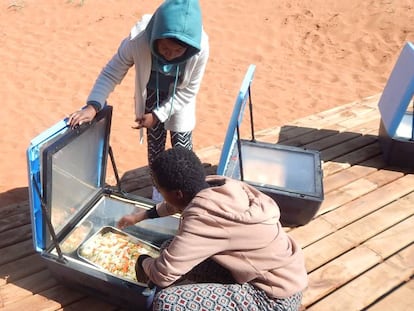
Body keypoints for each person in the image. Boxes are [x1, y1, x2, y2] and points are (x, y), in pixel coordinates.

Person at [117, 147, 308, 311]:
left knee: (168, 303)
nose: (159, 193)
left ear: (177, 193)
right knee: (168, 247)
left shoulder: (203, 217)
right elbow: (176, 203)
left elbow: (162, 275)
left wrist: (143, 262)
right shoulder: (219, 186)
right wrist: (139, 216)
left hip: (273, 298)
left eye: (160, 189)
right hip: (284, 273)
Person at [67, 0, 209, 202]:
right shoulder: (138, 41)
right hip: (151, 94)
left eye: (178, 52)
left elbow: (188, 91)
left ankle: (186, 197)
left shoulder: (200, 48)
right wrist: (94, 104)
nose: (170, 56)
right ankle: (160, 193)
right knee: (155, 148)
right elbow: (111, 72)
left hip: (180, 96)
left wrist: (159, 115)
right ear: (155, 36)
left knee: (182, 148)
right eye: (165, 48)